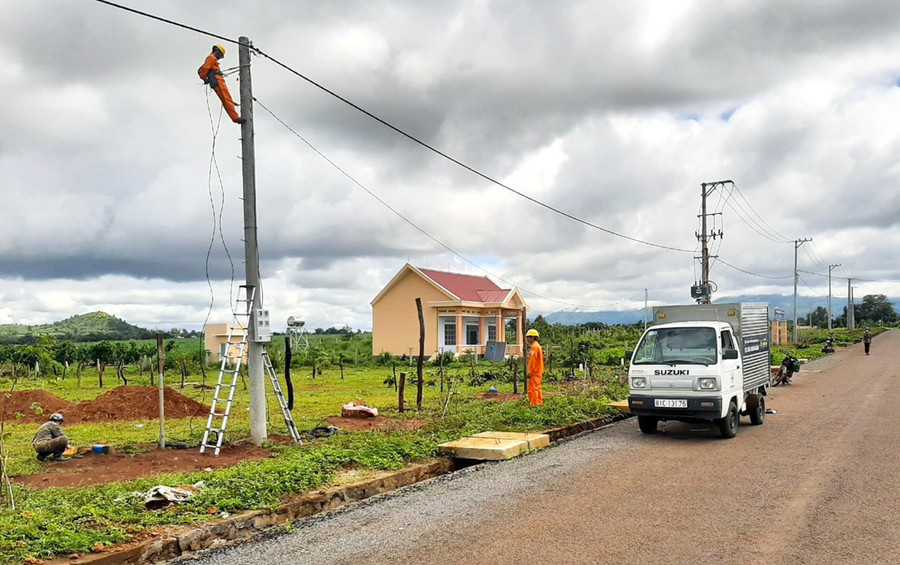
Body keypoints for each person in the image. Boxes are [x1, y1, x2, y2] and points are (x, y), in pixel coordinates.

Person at [198, 44, 245, 124]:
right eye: (221, 55)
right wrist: (204, 78)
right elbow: (204, 69)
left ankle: (234, 113)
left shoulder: (212, 59)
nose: (220, 58)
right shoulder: (211, 58)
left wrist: (205, 78)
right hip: (217, 80)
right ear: (217, 51)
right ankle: (235, 118)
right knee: (225, 98)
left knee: (226, 98)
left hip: (218, 80)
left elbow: (201, 69)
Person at [525, 329, 544, 407]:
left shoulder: (534, 347)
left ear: (532, 337)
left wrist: (529, 372)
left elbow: (533, 361)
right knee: (537, 389)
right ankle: (539, 403)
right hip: (538, 372)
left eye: (528, 337)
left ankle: (534, 405)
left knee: (533, 390)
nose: (527, 339)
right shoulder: (537, 346)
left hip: (534, 372)